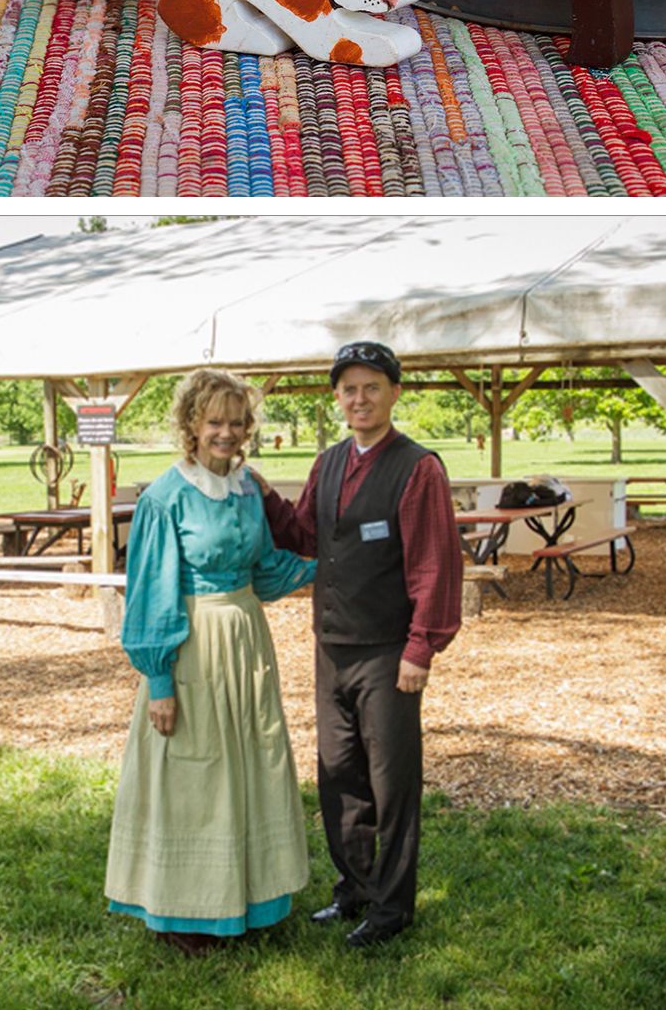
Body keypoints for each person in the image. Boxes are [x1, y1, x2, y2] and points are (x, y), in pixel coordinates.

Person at [104, 368, 317, 956]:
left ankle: (248, 896)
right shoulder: (165, 497)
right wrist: (160, 680)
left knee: (249, 763)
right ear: (191, 426)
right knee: (193, 775)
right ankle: (186, 910)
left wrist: (332, 565)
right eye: (214, 421)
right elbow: (150, 592)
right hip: (191, 643)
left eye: (236, 421)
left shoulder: (248, 488)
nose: (226, 432)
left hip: (247, 639)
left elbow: (267, 568)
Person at [258, 341, 462, 949]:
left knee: (391, 781)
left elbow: (434, 565)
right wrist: (263, 494)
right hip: (333, 646)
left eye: (372, 386)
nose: (360, 398)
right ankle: (354, 889)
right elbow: (304, 536)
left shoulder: (417, 467)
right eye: (349, 388)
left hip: (387, 651)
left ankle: (392, 909)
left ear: (395, 393)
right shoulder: (328, 463)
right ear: (337, 398)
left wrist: (420, 648)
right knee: (339, 775)